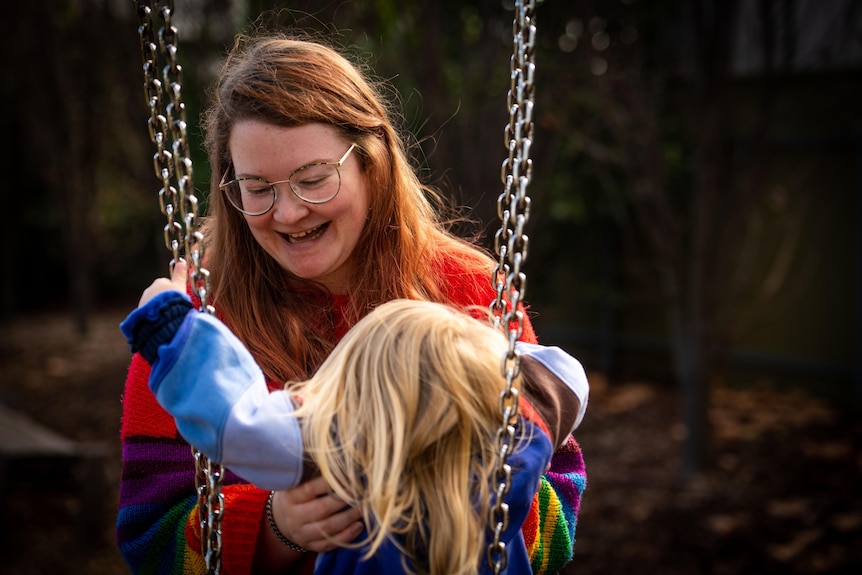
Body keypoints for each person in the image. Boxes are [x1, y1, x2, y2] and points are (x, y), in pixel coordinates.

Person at [117, 31, 587, 575]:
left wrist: (470, 512)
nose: (288, 212)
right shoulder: (198, 328)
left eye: (313, 179)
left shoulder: (469, 291)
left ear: (372, 161)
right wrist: (276, 527)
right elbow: (148, 537)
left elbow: (561, 499)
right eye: (256, 187)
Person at [120, 263, 589, 575]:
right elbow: (567, 379)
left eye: (314, 178)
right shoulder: (519, 442)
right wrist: (474, 360)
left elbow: (239, 421)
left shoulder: (349, 451)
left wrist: (171, 329)